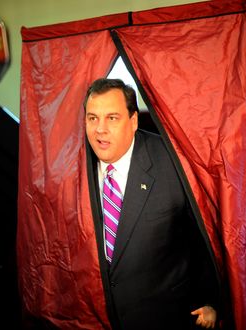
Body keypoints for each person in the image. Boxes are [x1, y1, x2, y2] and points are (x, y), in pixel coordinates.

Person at [84, 78, 220, 330]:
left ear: (133, 121)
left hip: (168, 317)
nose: (100, 129)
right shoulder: (73, 166)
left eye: (112, 118)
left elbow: (205, 234)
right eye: (92, 118)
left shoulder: (173, 161)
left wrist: (211, 300)